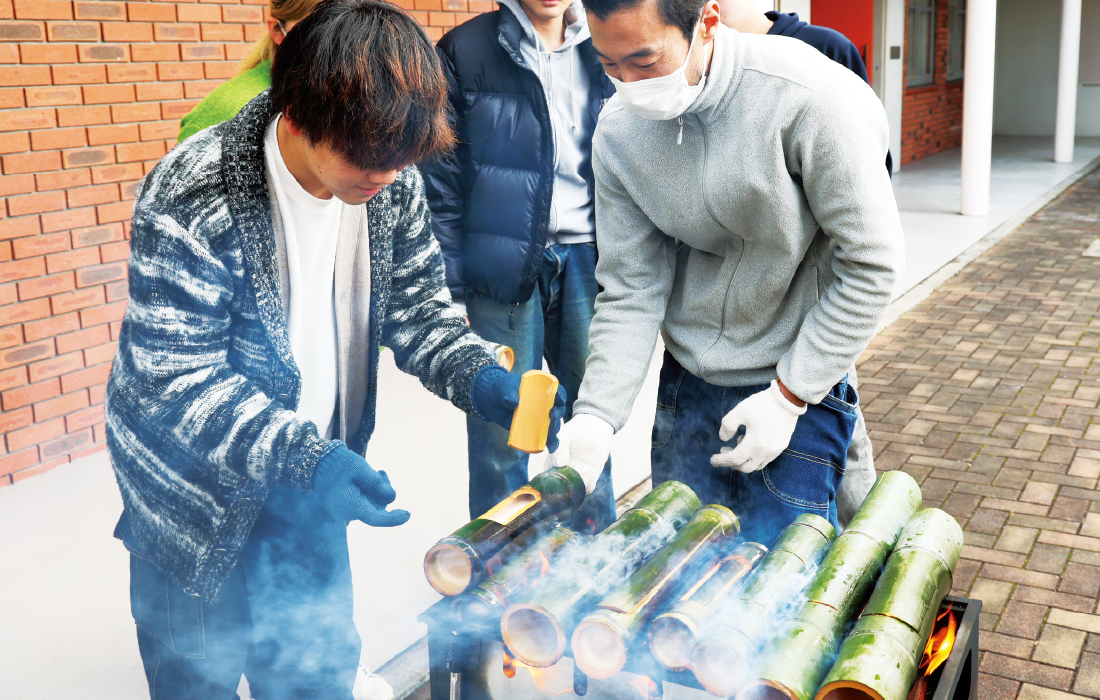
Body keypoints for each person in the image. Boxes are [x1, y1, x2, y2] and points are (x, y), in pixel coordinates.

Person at [106, 2, 563, 698]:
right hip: (194, 510)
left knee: (315, 680)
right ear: (295, 116)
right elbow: (177, 378)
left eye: (400, 160)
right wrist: (311, 457)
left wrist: (478, 375)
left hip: (308, 495)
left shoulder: (389, 180)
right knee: (195, 683)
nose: (384, 178)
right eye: (366, 161)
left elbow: (417, 309)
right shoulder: (191, 191)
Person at [550, 0, 903, 545]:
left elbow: (872, 262)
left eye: (644, 62)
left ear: (706, 24)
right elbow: (630, 288)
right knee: (680, 569)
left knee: (789, 583)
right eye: (608, 64)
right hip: (687, 383)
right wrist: (597, 415)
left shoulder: (812, 98)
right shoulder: (618, 131)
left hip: (794, 377)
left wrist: (790, 395)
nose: (627, 83)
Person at [421, 0, 618, 532]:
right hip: (498, 265)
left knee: (591, 419)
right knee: (500, 430)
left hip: (588, 257)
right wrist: (454, 290)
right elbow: (440, 181)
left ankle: (596, 553)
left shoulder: (608, 40)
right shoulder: (464, 50)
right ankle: (494, 564)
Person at [717, 0, 888, 525]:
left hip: (814, 305)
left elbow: (867, 186)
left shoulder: (825, 50)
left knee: (843, 431)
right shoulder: (691, 71)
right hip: (737, 315)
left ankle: (871, 553)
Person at [177, 0, 322, 143]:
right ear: (277, 30)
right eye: (317, 29)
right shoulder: (220, 116)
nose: (333, 42)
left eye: (343, 26)